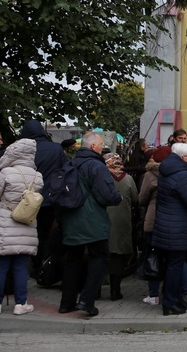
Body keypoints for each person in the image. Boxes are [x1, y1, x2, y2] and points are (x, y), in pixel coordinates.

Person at [58, 132, 123, 316]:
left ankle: (66, 303)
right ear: (93, 146)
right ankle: (87, 300)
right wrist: (118, 198)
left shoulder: (70, 163)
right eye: (101, 144)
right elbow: (107, 194)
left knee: (73, 260)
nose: (102, 147)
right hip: (92, 220)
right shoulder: (96, 166)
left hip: (71, 219)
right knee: (99, 258)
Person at [151, 143, 187, 315]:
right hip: (177, 227)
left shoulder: (167, 170)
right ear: (182, 158)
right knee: (176, 265)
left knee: (172, 265)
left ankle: (173, 300)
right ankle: (170, 302)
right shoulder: (183, 175)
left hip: (165, 225)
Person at [0, 138, 44, 315]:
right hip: (27, 225)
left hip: (5, 223)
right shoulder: (37, 176)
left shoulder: (6, 172)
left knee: (2, 266)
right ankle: (21, 304)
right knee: (20, 267)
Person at [19, 120, 68, 276]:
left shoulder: (21, 149)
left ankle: (32, 264)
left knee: (27, 234)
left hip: (26, 201)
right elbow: (65, 172)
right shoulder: (55, 149)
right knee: (48, 234)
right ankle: (45, 266)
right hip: (49, 200)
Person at [138, 145, 171, 305]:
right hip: (169, 221)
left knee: (152, 256)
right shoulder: (174, 172)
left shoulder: (150, 174)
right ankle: (170, 290)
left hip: (153, 219)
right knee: (170, 258)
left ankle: (153, 294)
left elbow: (141, 199)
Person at [103, 152, 138, 301]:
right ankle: (115, 291)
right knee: (118, 258)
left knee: (101, 257)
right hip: (123, 222)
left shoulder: (103, 178)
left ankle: (96, 290)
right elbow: (136, 199)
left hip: (104, 221)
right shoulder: (128, 179)